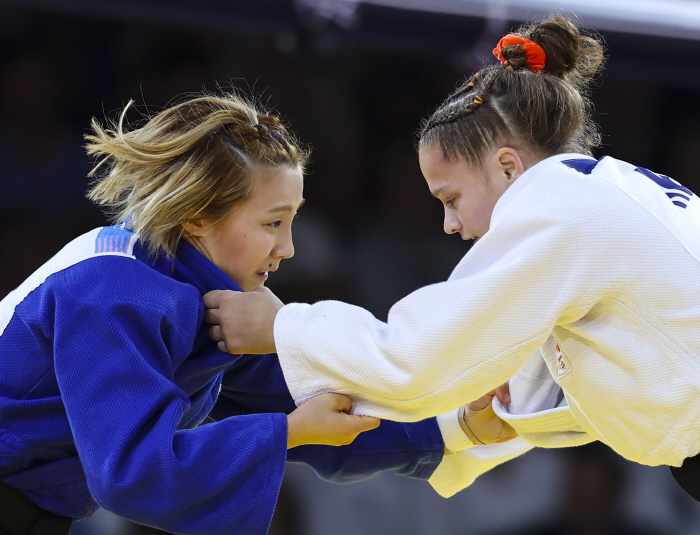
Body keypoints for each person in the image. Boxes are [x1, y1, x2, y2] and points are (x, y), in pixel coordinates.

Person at [203, 16, 700, 502]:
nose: (450, 224)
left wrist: (283, 327)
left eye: (451, 198)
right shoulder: (610, 189)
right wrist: (476, 412)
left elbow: (417, 357)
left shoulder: (556, 208)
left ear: (508, 167)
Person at [0, 92, 512, 535]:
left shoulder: (202, 296)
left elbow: (317, 398)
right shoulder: (110, 291)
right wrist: (289, 431)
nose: (287, 248)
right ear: (197, 217)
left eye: (292, 221)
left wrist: (453, 427)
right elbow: (132, 474)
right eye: (272, 222)